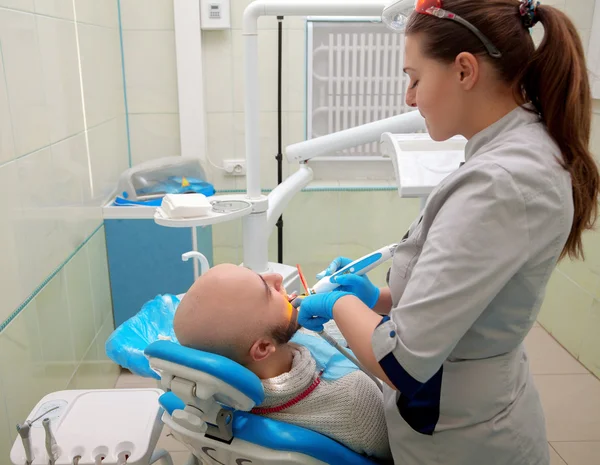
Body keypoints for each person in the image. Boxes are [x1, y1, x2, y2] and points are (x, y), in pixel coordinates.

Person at [297, 1, 600, 464]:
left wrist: (339, 304)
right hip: (464, 410)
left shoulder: (502, 181)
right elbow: (462, 294)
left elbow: (401, 361)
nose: (409, 98)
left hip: (468, 441)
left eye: (415, 78)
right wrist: (379, 300)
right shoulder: (509, 153)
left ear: (464, 71)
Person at [173, 264, 392, 461]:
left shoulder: (202, 400)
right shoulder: (354, 400)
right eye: (267, 291)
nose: (277, 277)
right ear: (262, 348)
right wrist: (358, 308)